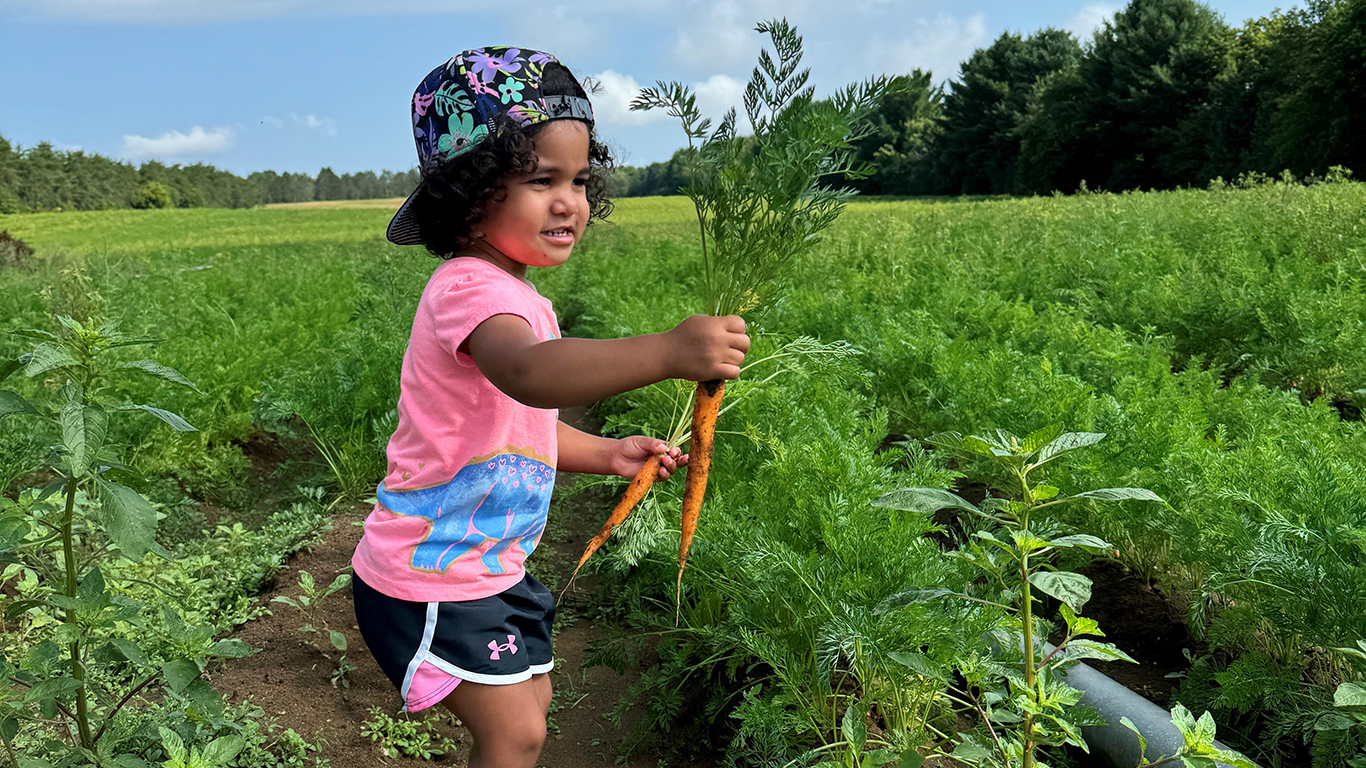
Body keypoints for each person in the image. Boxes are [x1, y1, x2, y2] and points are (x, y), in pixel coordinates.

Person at [350, 47, 750, 768]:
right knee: (515, 733)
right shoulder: (469, 288)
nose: (571, 201)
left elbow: (517, 430)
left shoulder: (522, 294)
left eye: (578, 179)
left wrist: (606, 453)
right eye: (541, 181)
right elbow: (532, 375)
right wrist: (666, 351)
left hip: (491, 568)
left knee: (531, 706)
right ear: (469, 197)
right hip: (431, 575)